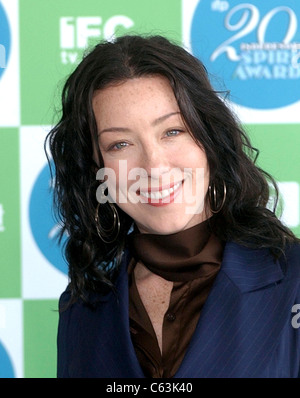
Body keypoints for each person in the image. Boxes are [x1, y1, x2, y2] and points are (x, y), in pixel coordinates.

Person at [46, 34, 300, 378]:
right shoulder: (82, 308)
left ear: (209, 137)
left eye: (172, 132)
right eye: (120, 144)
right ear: (97, 168)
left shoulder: (293, 278)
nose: (153, 167)